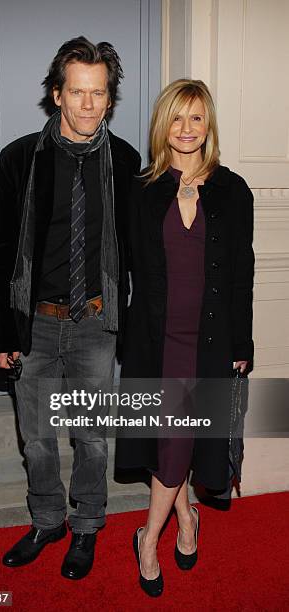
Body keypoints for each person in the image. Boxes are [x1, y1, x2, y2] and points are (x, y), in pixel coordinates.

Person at [0, 36, 140, 580]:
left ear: (109, 98)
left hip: (97, 321)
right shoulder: (21, 157)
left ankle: (87, 526)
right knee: (38, 438)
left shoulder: (124, 161)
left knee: (92, 437)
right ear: (57, 94)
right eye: (78, 92)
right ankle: (47, 519)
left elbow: (136, 252)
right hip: (35, 325)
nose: (89, 105)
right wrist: (0, 333)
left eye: (99, 94)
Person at [115, 79, 254, 596]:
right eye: (177, 118)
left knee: (185, 440)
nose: (187, 129)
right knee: (173, 442)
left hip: (212, 341)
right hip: (160, 340)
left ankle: (169, 525)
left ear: (208, 124)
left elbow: (243, 273)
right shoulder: (142, 189)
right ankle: (157, 535)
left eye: (197, 118)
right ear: (163, 126)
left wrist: (243, 344)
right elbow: (126, 268)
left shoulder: (233, 190)